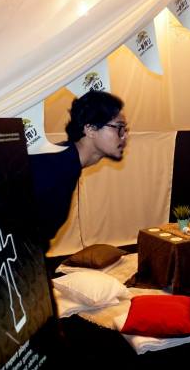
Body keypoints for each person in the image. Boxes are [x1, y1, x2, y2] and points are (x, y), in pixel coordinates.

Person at [29, 90, 128, 250]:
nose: (124, 136)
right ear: (90, 129)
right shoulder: (54, 166)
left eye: (125, 129)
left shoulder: (66, 161)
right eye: (119, 127)